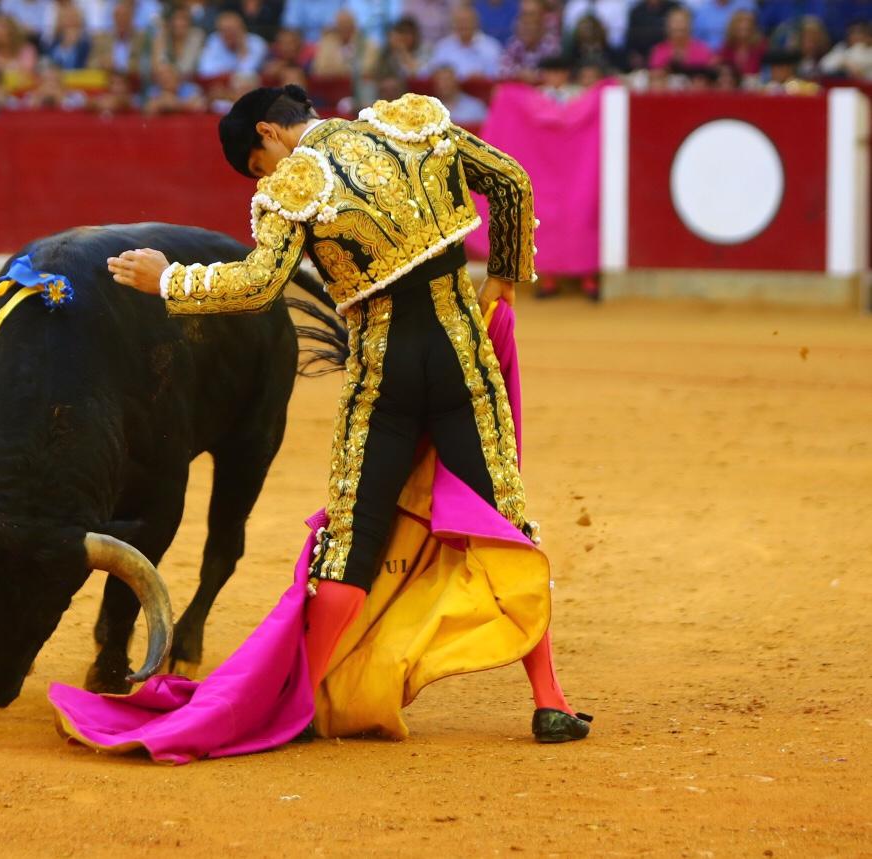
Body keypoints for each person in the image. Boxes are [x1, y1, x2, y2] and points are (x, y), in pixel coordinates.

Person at [106, 85, 591, 745]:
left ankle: (300, 705)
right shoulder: (411, 124)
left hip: (385, 373)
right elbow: (510, 182)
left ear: (269, 135)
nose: (266, 177)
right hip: (460, 353)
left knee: (352, 539)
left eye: (258, 165)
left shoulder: (296, 183)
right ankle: (550, 700)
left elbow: (257, 284)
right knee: (502, 521)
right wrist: (502, 277)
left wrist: (168, 279)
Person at [423, 5, 502, 79]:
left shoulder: (492, 46)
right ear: (453, 24)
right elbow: (430, 73)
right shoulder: (443, 47)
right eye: (459, 21)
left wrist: (482, 77)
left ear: (477, 23)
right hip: (451, 93)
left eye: (467, 21)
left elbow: (499, 75)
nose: (463, 25)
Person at [196, 9, 265, 78]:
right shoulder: (214, 40)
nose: (228, 34)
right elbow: (205, 70)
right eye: (223, 30)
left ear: (242, 29)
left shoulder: (257, 43)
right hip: (220, 84)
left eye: (232, 30)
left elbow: (247, 72)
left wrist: (242, 48)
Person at [649, 6, 716, 69]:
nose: (678, 25)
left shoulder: (702, 49)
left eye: (682, 21)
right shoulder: (659, 50)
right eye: (675, 22)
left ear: (690, 25)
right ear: (668, 26)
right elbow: (655, 73)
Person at [717, 9, 765, 77]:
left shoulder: (761, 47)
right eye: (740, 28)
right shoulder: (726, 47)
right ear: (733, 29)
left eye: (746, 28)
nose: (743, 28)